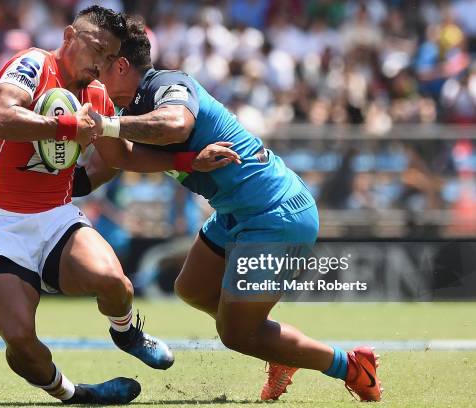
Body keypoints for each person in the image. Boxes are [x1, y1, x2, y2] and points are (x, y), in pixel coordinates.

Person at [79, 16, 382, 403]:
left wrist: (105, 125)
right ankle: (280, 350)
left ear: (122, 66)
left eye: (100, 65)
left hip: (276, 214)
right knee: (191, 288)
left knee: (236, 334)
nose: (94, 75)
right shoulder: (128, 113)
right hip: (237, 215)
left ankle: (352, 365)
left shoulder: (167, 85)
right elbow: (117, 160)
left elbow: (174, 125)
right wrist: (63, 181)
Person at [0, 6, 238, 405]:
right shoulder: (32, 65)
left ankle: (126, 332)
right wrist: (68, 127)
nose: (100, 63)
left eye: (110, 57)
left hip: (57, 217)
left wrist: (186, 161)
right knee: (22, 343)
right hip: (0, 225)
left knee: (116, 284)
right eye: (96, 48)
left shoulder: (95, 95)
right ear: (67, 37)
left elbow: (120, 157)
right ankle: (74, 393)